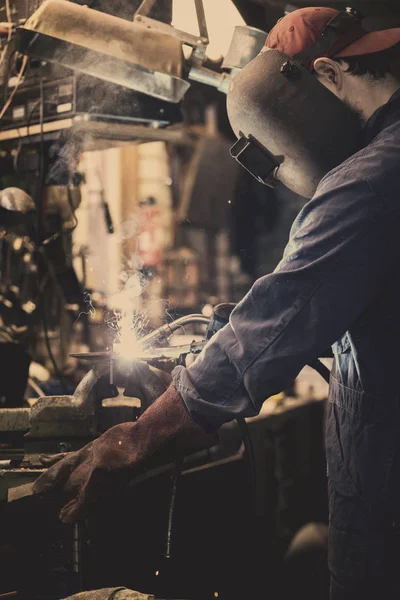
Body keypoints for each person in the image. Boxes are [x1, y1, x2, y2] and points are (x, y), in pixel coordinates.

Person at [33, 7, 400, 599]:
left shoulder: (371, 181)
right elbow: (342, 305)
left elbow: (281, 318)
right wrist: (224, 330)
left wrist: (134, 438)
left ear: (329, 73)